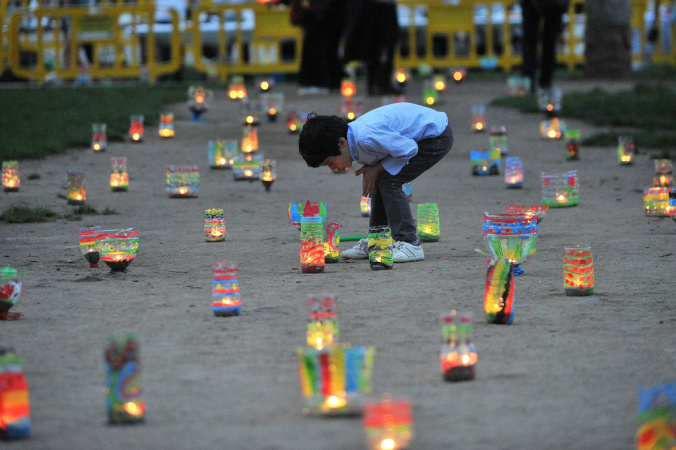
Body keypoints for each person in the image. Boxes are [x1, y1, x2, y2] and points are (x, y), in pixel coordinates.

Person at [298, 103, 453, 263]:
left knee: (389, 180)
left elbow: (409, 149)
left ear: (342, 143)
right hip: (415, 140)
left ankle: (409, 243)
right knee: (381, 180)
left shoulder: (366, 137)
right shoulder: (356, 141)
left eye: (331, 162)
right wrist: (375, 169)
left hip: (435, 137)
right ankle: (377, 241)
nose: (334, 168)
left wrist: (378, 168)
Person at [343, 0, 400, 96]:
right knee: (377, 45)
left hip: (383, 5)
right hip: (376, 6)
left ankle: (378, 83)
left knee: (383, 44)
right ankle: (377, 83)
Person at [289, 0, 346, 95]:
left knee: (316, 48)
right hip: (332, 12)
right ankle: (332, 81)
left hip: (319, 13)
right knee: (329, 48)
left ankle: (318, 82)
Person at [519, 0, 571, 92]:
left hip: (531, 4)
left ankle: (528, 82)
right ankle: (545, 83)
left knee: (530, 40)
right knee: (549, 41)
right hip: (555, 4)